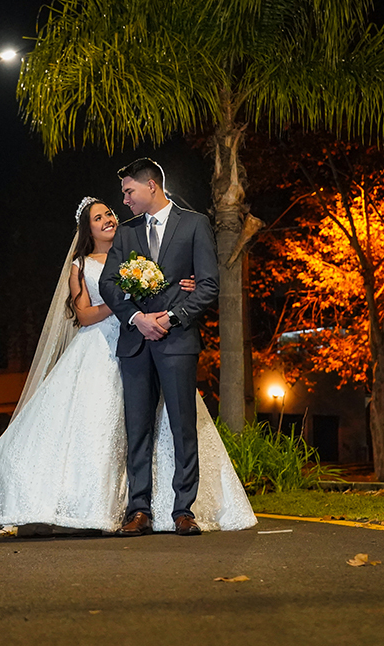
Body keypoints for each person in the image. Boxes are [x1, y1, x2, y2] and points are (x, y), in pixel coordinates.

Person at [0, 197, 255, 537]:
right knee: (98, 430)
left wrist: (182, 283)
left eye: (111, 212)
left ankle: (159, 508)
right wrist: (124, 305)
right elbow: (81, 314)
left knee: (158, 427)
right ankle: (83, 506)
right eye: (99, 218)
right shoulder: (82, 263)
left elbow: (172, 274)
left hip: (144, 345)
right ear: (87, 229)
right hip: (103, 349)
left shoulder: (137, 250)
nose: (110, 219)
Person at [100, 158, 219, 537]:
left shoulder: (195, 224)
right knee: (138, 428)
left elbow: (209, 285)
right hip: (136, 343)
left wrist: (171, 318)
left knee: (183, 426)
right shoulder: (126, 233)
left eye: (129, 191)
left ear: (151, 186)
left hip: (178, 341)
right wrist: (137, 318)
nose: (125, 200)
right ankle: (139, 511)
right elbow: (108, 283)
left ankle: (183, 510)